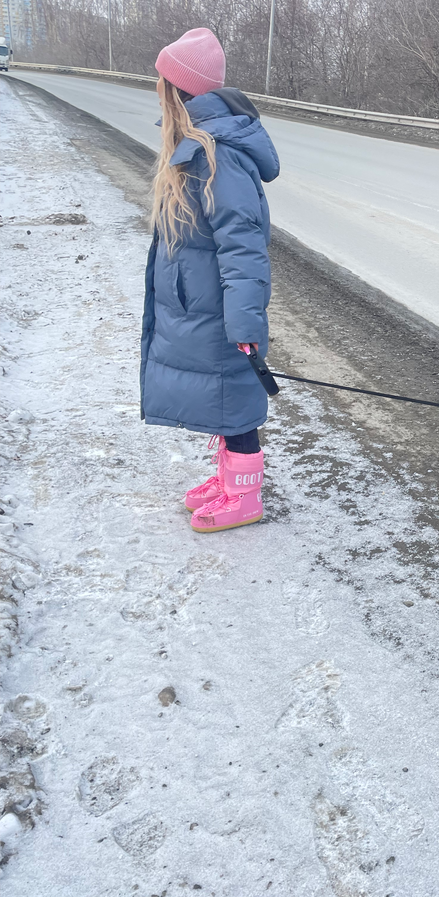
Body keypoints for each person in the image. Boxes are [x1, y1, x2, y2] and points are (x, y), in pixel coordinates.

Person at [140, 27, 280, 533]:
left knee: (234, 399)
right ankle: (227, 481)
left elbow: (243, 247)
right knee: (222, 397)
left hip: (224, 311)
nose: (156, 89)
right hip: (204, 305)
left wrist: (244, 321)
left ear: (179, 90)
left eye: (161, 83)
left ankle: (245, 497)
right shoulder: (196, 146)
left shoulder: (218, 156)